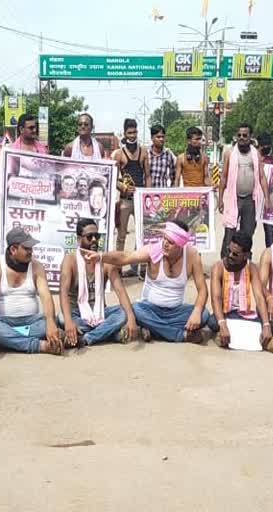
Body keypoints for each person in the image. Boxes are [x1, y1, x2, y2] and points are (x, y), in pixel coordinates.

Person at [84, 220, 211, 343]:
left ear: (180, 245)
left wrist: (197, 311)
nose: (165, 244)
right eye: (164, 238)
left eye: (170, 242)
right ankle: (178, 335)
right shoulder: (153, 251)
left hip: (175, 312)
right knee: (135, 310)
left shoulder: (192, 255)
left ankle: (154, 329)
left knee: (204, 314)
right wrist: (101, 257)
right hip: (148, 309)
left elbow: (203, 290)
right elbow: (126, 257)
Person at [0, 228, 64, 355]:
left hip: (33, 322)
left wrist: (50, 323)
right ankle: (41, 345)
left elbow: (46, 296)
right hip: (4, 322)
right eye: (26, 248)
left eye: (31, 248)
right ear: (13, 250)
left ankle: (11, 342)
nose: (31, 251)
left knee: (50, 322)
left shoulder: (36, 266)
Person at [58, 219, 138, 346]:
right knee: (62, 318)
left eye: (97, 236)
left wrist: (131, 317)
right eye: (90, 237)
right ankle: (111, 334)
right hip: (77, 313)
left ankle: (86, 338)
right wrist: (68, 321)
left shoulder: (105, 261)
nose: (94, 240)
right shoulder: (70, 260)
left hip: (100, 313)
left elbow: (120, 291)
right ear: (79, 239)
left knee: (122, 314)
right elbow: (63, 293)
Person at [209, 232, 273, 352]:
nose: (229, 255)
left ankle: (226, 337)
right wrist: (222, 323)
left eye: (235, 254)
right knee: (212, 322)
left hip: (244, 314)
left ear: (245, 255)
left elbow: (259, 298)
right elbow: (216, 298)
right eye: (228, 250)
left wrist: (266, 324)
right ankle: (227, 332)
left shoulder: (252, 268)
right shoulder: (218, 267)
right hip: (225, 314)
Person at [219, 123, 269, 259]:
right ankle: (226, 261)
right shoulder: (229, 153)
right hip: (233, 199)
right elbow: (223, 177)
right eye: (239, 135)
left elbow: (262, 177)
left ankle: (245, 262)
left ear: (250, 137)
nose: (241, 138)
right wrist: (220, 199)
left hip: (250, 200)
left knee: (247, 234)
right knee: (230, 231)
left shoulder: (255, 154)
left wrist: (267, 199)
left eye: (245, 135)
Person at [113, 119, 151, 277]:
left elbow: (147, 175)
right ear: (124, 134)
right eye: (129, 133)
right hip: (125, 201)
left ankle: (142, 268)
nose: (132, 135)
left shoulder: (143, 152)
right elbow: (112, 177)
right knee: (121, 236)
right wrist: (121, 186)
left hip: (140, 200)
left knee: (143, 235)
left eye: (134, 132)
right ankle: (118, 268)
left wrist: (147, 195)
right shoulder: (118, 154)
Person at [257, 132, 273, 248]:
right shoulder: (254, 157)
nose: (266, 148)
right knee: (249, 229)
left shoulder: (272, 159)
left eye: (268, 145)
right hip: (253, 198)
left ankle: (271, 255)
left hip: (267, 198)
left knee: (269, 231)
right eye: (264, 145)